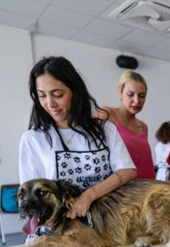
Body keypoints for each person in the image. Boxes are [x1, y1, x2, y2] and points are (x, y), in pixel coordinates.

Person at [19, 56, 136, 225]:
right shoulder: (33, 139)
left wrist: (88, 195)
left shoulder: (104, 129)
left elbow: (127, 171)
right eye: (42, 96)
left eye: (58, 94)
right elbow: (29, 192)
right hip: (61, 227)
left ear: (75, 91)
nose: (50, 103)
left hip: (108, 221)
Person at [99, 70, 155, 179]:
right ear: (120, 92)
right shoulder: (107, 114)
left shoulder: (143, 127)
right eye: (130, 94)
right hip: (123, 190)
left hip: (147, 187)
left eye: (142, 96)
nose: (136, 101)